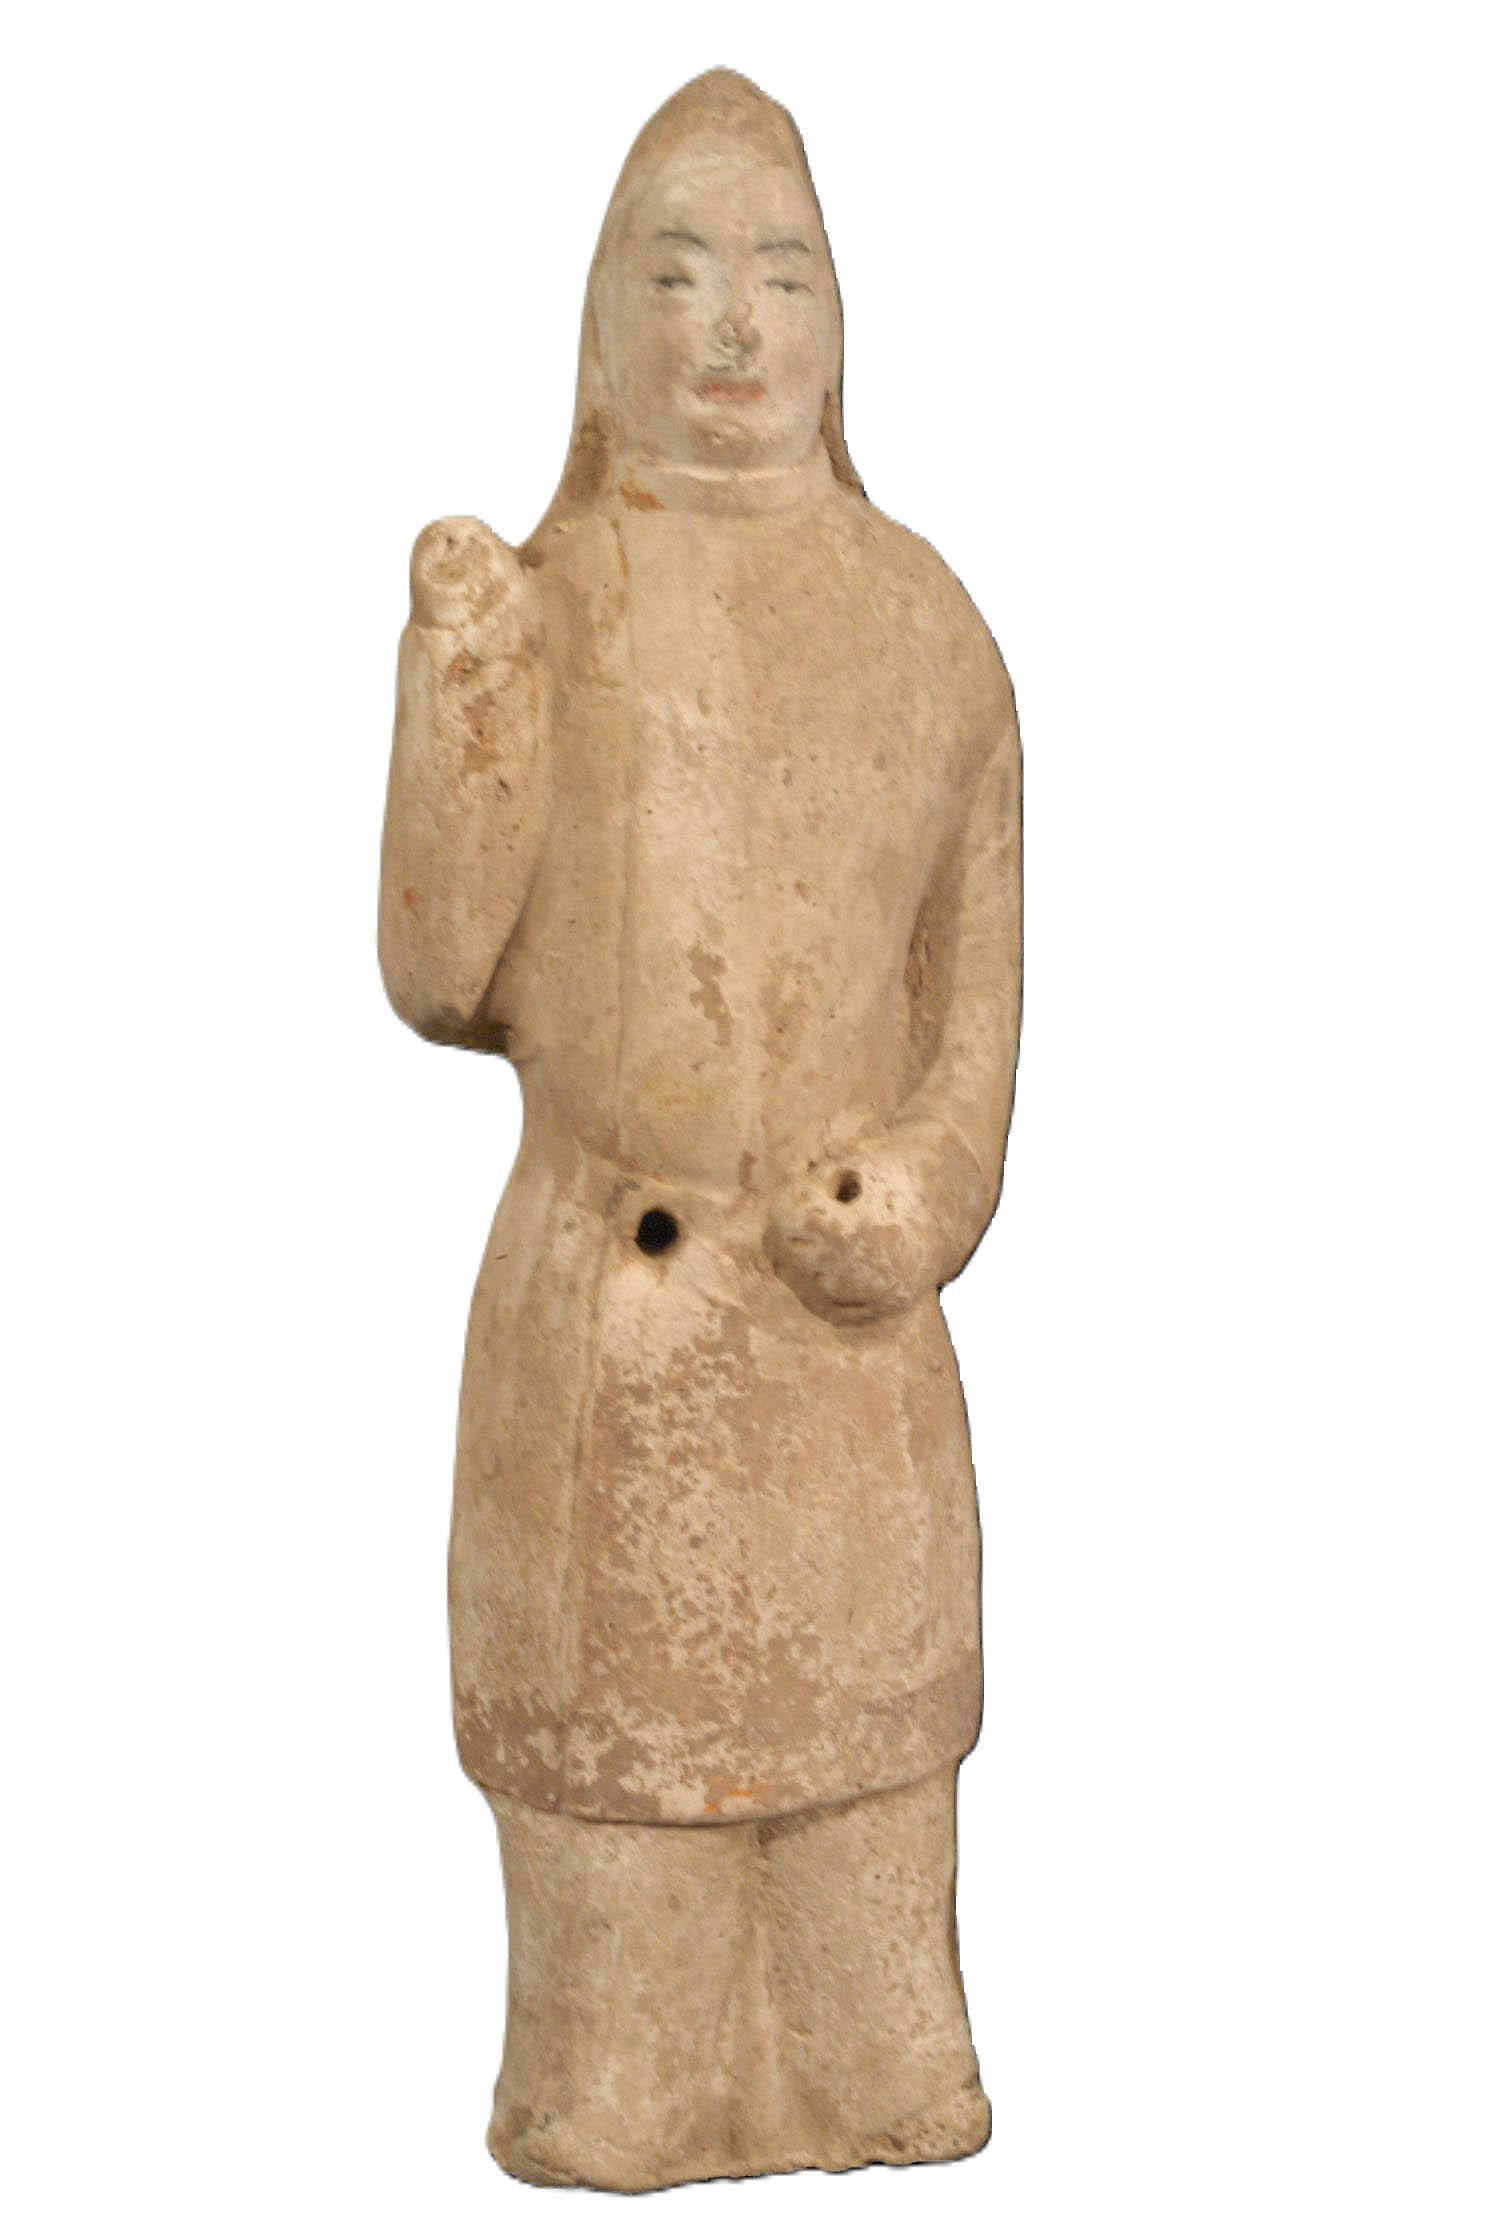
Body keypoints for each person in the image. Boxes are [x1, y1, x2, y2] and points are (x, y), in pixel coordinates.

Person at [379, 67, 1022, 2192]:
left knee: (883, 1980)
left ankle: (860, 2069)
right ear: (602, 324)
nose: (732, 323)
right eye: (675, 274)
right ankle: (624, 2089)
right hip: (611, 1330)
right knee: (615, 2045)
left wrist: (924, 1188)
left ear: (843, 318)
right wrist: (469, 707)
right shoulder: (545, 599)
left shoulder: (931, 632)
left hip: (844, 1352)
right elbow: (444, 975)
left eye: (781, 272)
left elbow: (976, 1026)